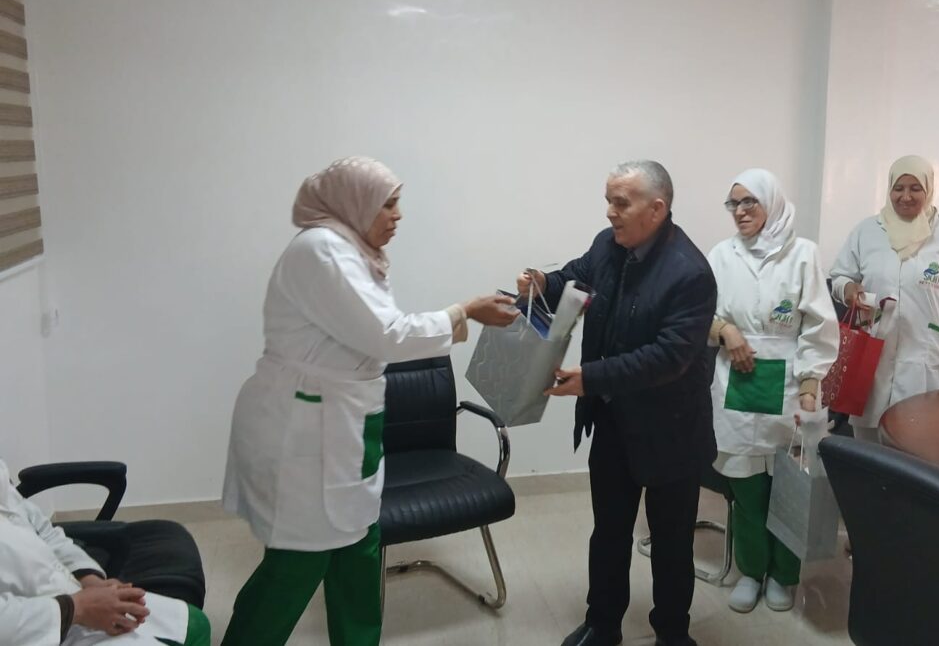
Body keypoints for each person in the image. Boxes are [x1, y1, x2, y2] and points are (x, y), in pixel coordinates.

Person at [220, 156, 518, 645]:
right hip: (305, 427)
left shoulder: (353, 250)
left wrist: (462, 315)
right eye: (388, 204)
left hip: (346, 421)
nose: (397, 215)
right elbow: (387, 335)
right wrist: (464, 311)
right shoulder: (322, 250)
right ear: (353, 202)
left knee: (358, 548)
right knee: (298, 561)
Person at [518, 160, 716, 646]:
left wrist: (590, 378)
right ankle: (602, 624)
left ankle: (672, 633)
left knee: (671, 542)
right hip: (612, 421)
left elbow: (668, 357)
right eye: (608, 200)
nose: (610, 212)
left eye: (620, 203)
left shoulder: (690, 272)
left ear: (657, 208)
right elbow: (575, 278)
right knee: (608, 531)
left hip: (671, 431)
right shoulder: (607, 245)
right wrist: (543, 281)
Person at [706, 169, 839, 613]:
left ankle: (784, 575)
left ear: (772, 203)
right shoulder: (721, 255)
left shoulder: (803, 254)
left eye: (750, 202)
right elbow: (695, 314)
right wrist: (725, 331)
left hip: (790, 385)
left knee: (790, 485)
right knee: (746, 490)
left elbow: (818, 326)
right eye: (734, 203)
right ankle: (751, 570)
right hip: (736, 381)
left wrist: (810, 384)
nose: (740, 211)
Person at [829, 155, 939, 443]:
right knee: (869, 444)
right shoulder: (867, 231)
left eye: (915, 188)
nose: (905, 196)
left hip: (928, 353)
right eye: (898, 188)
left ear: (929, 189)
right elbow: (840, 275)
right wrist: (848, 288)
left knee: (923, 441)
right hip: (875, 350)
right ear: (889, 189)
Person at [0, 458, 211, 645]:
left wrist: (90, 579)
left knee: (195, 625)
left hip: (69, 596)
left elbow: (44, 530)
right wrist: (78, 608)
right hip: (35, 627)